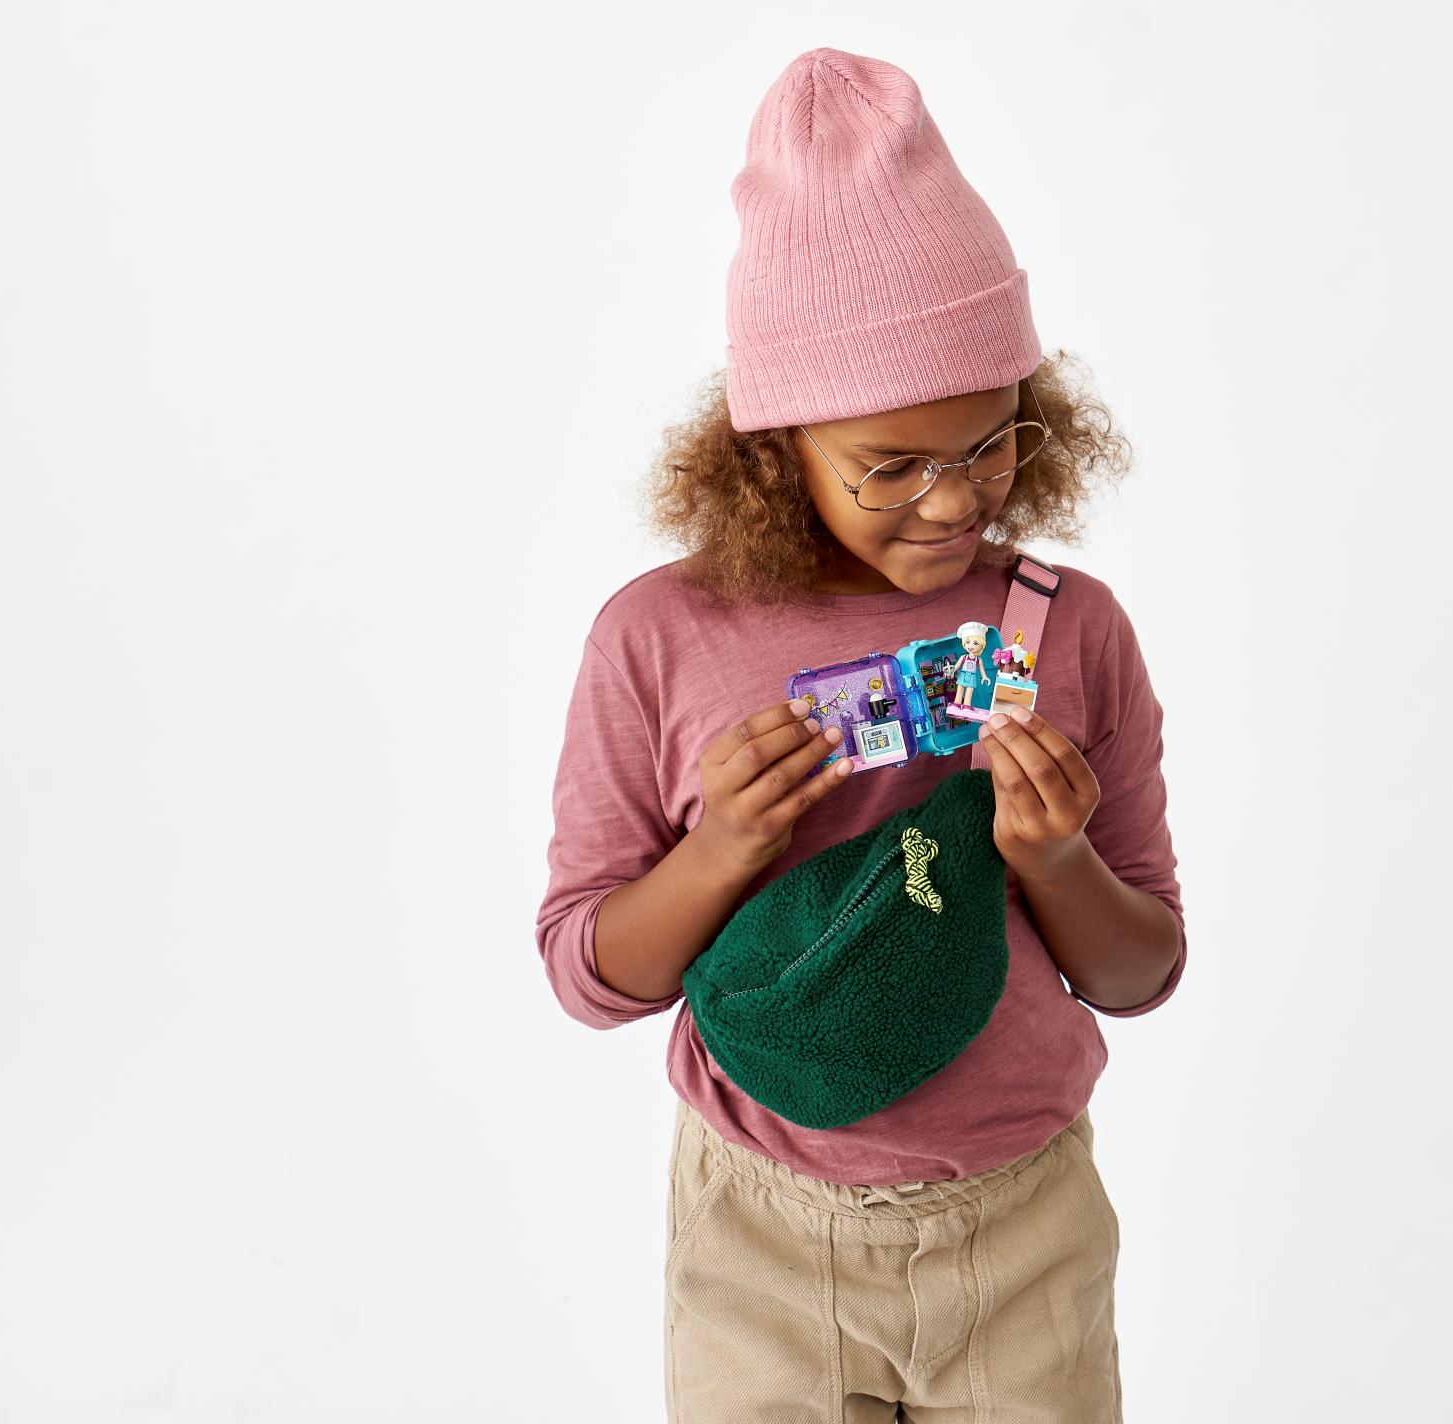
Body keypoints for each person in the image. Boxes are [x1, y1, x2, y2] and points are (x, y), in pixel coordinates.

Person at [534, 47, 1186, 1423]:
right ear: (775, 446)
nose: (954, 502)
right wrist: (722, 851)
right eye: (891, 466)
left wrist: (1056, 860)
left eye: (992, 443)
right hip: (758, 1238)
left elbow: (1143, 973)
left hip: (1026, 1225)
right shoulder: (656, 638)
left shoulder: (1072, 627)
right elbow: (589, 977)